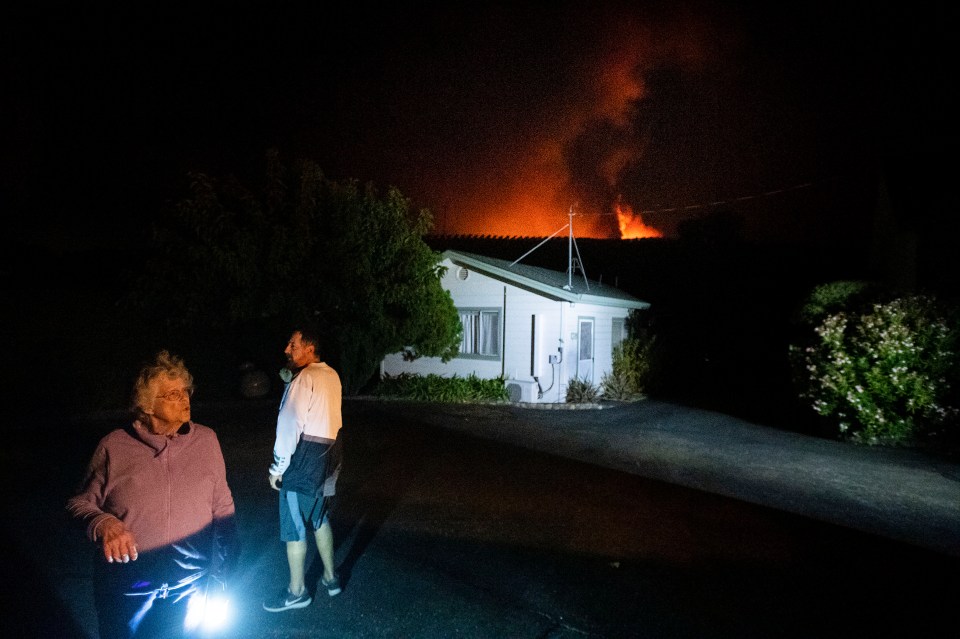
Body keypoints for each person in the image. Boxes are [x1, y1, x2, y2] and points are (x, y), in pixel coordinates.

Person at [66, 350, 237, 638]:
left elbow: (222, 506)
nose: (184, 399)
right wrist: (103, 523)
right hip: (128, 590)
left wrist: (228, 562)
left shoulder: (206, 441)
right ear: (146, 405)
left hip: (190, 587)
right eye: (172, 394)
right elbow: (79, 503)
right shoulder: (114, 447)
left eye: (185, 391)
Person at [263, 324, 344, 612]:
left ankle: (297, 592)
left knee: (295, 526)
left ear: (309, 348)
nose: (287, 350)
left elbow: (289, 425)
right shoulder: (331, 375)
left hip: (305, 459)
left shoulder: (305, 378)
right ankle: (331, 578)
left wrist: (278, 468)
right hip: (331, 454)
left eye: (293, 345)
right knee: (319, 517)